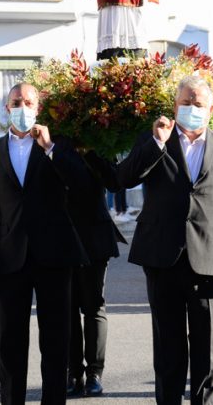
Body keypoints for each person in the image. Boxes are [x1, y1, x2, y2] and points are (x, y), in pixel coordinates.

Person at [116, 75, 213, 405]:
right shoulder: (154, 139)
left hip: (210, 257)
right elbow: (121, 179)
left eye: (199, 104)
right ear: (175, 106)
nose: (192, 109)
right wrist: (157, 144)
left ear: (210, 110)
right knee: (167, 345)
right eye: (186, 103)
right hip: (162, 256)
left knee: (208, 350)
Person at [0, 83, 91, 404]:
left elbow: (82, 186)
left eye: (28, 102)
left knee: (55, 341)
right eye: (15, 102)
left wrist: (51, 148)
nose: (21, 107)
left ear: (38, 108)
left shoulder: (58, 146)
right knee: (9, 342)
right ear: (6, 108)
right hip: (11, 259)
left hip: (55, 256)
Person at [64, 151, 127, 398]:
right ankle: (72, 372)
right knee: (67, 309)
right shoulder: (51, 141)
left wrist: (91, 150)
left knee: (94, 306)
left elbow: (114, 181)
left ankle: (94, 373)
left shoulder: (99, 142)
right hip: (62, 234)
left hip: (95, 236)